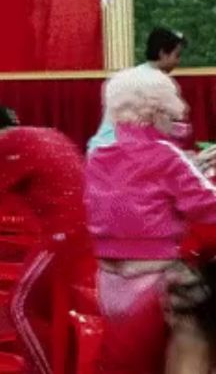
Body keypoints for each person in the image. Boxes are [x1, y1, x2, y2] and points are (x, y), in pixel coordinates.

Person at [85, 66, 216, 373]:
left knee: (123, 360)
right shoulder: (165, 155)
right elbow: (206, 207)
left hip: (107, 279)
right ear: (160, 109)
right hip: (154, 277)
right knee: (197, 325)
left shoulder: (98, 156)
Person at [0, 105, 96, 374]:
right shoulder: (47, 134)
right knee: (51, 310)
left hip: (63, 237)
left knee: (20, 306)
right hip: (84, 235)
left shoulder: (10, 143)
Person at [87, 27, 187, 153]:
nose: (178, 61)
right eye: (177, 55)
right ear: (163, 53)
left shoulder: (121, 76)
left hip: (98, 150)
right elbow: (176, 118)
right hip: (126, 155)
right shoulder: (161, 82)